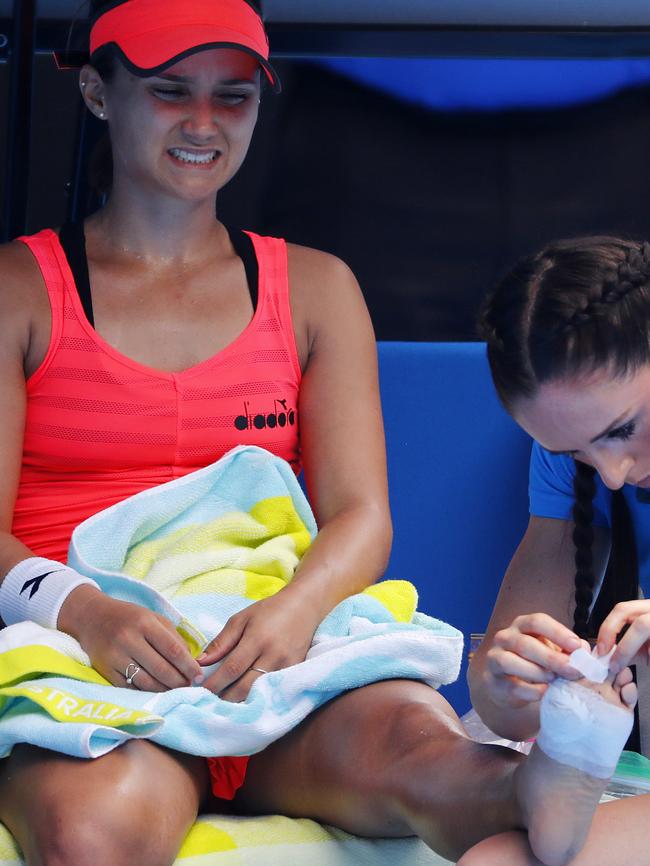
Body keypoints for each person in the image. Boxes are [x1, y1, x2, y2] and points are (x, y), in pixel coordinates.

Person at [0, 3, 629, 865]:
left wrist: (291, 615)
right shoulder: (17, 289)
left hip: (277, 646)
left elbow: (363, 515)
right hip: (87, 653)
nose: (203, 123)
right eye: (171, 91)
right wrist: (85, 612)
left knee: (427, 758)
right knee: (92, 831)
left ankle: (541, 785)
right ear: (97, 93)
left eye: (233, 98)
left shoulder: (319, 288)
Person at [466, 235, 650, 864]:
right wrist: (511, 680)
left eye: (623, 429)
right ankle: (565, 790)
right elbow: (504, 717)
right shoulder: (568, 469)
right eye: (575, 452)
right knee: (490, 860)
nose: (615, 474)